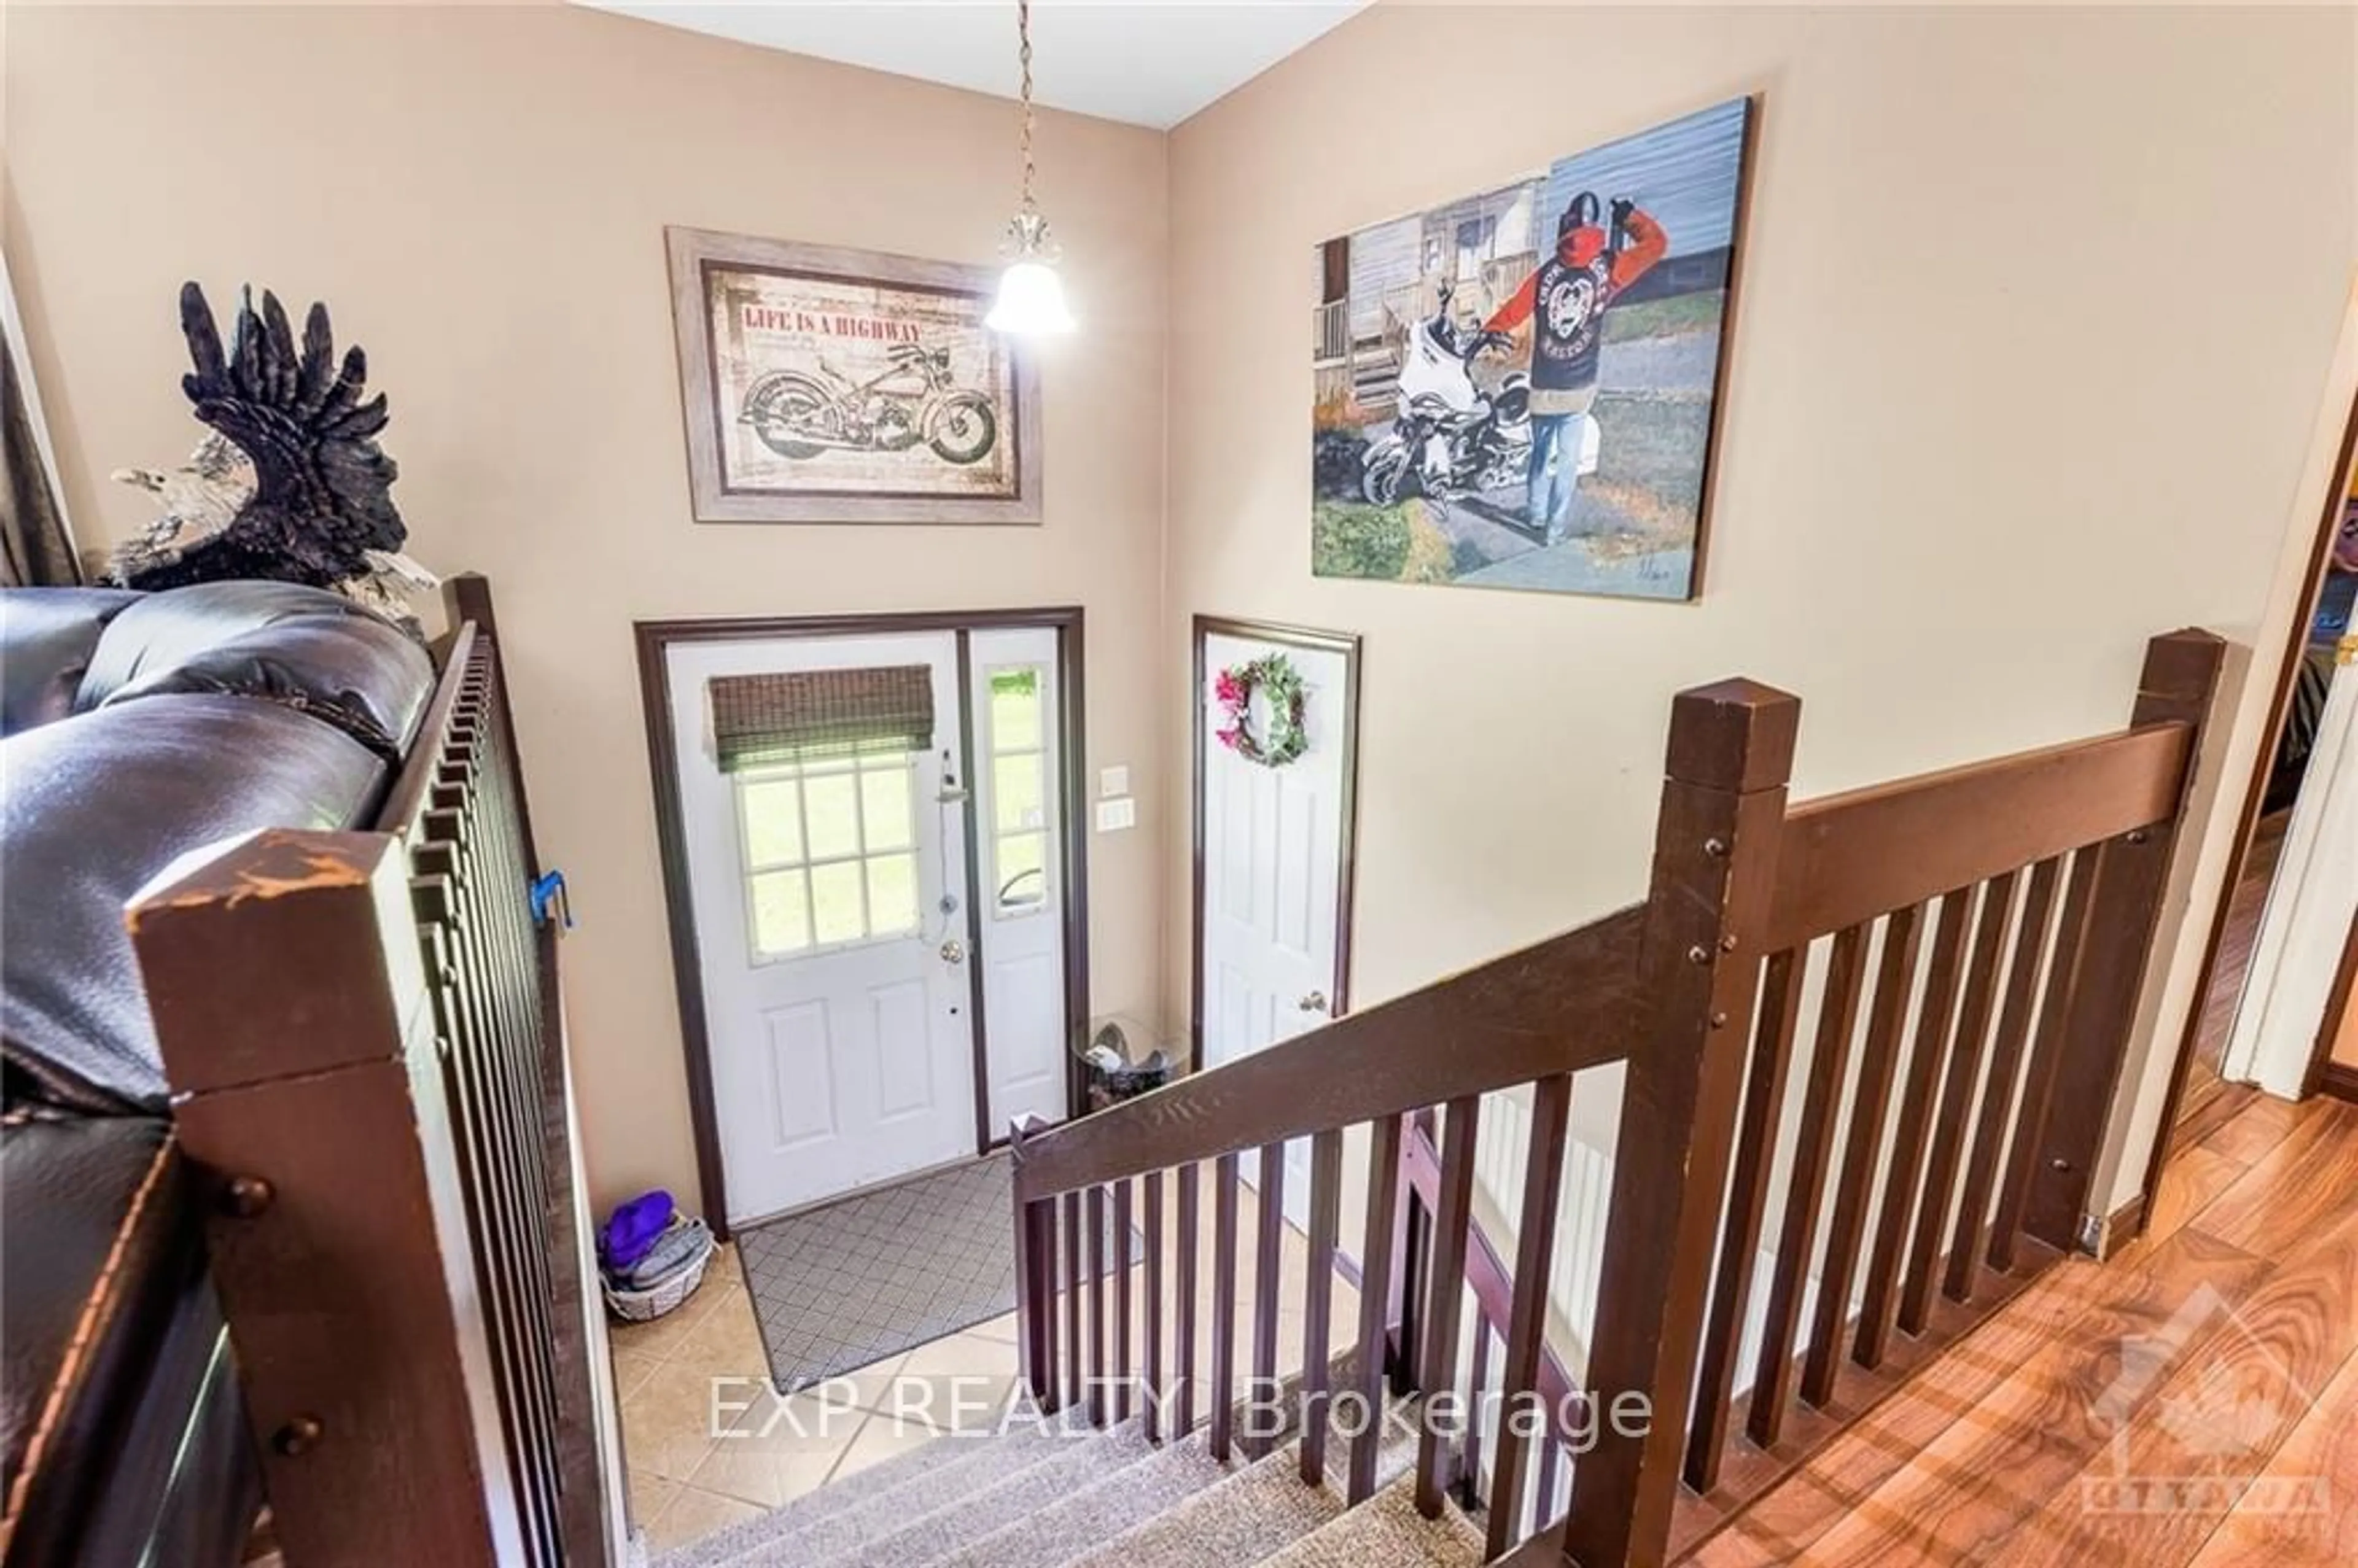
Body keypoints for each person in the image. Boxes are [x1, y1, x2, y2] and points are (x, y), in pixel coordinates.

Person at [1483, 192, 1667, 539]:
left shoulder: (1545, 274)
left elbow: (1513, 310)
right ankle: (1554, 528)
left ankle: (1535, 513)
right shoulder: (1610, 268)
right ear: (1594, 231)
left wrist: (1491, 330)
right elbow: (1656, 245)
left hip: (1544, 384)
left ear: (1563, 230)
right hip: (1579, 386)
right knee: (1567, 461)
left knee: (1539, 454)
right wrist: (1630, 218)